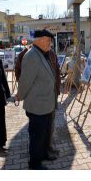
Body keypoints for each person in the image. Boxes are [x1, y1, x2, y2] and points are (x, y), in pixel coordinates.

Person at [16, 29, 57, 170]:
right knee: (37, 137)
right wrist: (19, 95)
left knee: (45, 135)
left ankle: (44, 154)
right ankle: (34, 164)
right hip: (37, 106)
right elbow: (25, 81)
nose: (50, 44)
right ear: (38, 40)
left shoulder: (42, 54)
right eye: (48, 40)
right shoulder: (32, 56)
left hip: (46, 104)